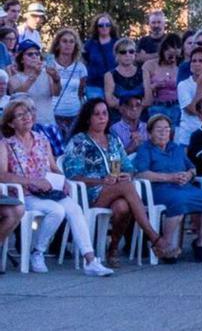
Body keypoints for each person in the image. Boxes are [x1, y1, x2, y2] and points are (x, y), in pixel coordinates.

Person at [0, 97, 115, 276]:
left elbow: (54, 167)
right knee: (57, 211)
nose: (26, 117)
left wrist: (64, 181)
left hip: (48, 192)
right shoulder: (6, 144)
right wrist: (31, 181)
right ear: (11, 123)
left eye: (28, 113)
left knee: (74, 209)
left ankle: (91, 260)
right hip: (25, 195)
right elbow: (2, 175)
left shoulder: (41, 139)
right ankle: (37, 252)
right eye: (20, 115)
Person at [62, 98, 170, 266]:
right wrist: (101, 180)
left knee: (122, 207)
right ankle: (154, 237)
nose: (102, 118)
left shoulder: (113, 140)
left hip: (116, 190)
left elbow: (128, 166)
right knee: (125, 186)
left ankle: (112, 250)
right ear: (88, 118)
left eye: (104, 113)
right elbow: (73, 176)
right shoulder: (79, 141)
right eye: (96, 114)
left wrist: (126, 174)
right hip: (90, 193)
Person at [134, 114, 202, 263]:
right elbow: (141, 174)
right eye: (159, 129)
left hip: (182, 187)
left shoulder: (176, 148)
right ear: (150, 132)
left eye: (166, 129)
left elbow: (192, 168)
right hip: (157, 190)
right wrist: (169, 177)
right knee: (178, 201)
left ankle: (201, 243)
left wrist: (188, 175)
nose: (163, 132)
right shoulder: (145, 149)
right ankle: (165, 246)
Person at [8, 40, 63, 152]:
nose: (35, 56)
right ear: (22, 59)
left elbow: (56, 93)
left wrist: (57, 79)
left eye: (37, 54)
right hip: (27, 128)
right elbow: (18, 95)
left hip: (49, 124)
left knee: (55, 163)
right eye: (30, 54)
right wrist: (34, 76)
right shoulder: (14, 79)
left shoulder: (47, 75)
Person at [46, 28, 88, 137]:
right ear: (57, 44)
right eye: (64, 41)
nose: (68, 45)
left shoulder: (80, 67)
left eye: (71, 41)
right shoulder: (50, 65)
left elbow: (81, 93)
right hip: (53, 114)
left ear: (75, 46)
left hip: (75, 114)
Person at [142, 33, 182, 125]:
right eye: (170, 55)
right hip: (157, 106)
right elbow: (143, 89)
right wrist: (154, 86)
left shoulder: (180, 67)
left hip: (176, 107)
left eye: (176, 56)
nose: (173, 59)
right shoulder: (150, 65)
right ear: (163, 50)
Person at [83, 14, 118, 101]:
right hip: (94, 86)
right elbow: (84, 61)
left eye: (107, 25)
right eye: (101, 25)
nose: (104, 27)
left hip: (114, 85)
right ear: (96, 28)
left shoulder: (117, 43)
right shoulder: (89, 44)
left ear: (111, 27)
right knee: (96, 111)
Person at [103, 38, 144, 111]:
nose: (127, 54)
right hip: (119, 116)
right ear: (116, 54)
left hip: (141, 114)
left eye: (131, 51)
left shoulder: (143, 72)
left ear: (135, 54)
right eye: (123, 52)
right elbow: (110, 102)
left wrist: (120, 101)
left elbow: (148, 100)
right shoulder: (109, 75)